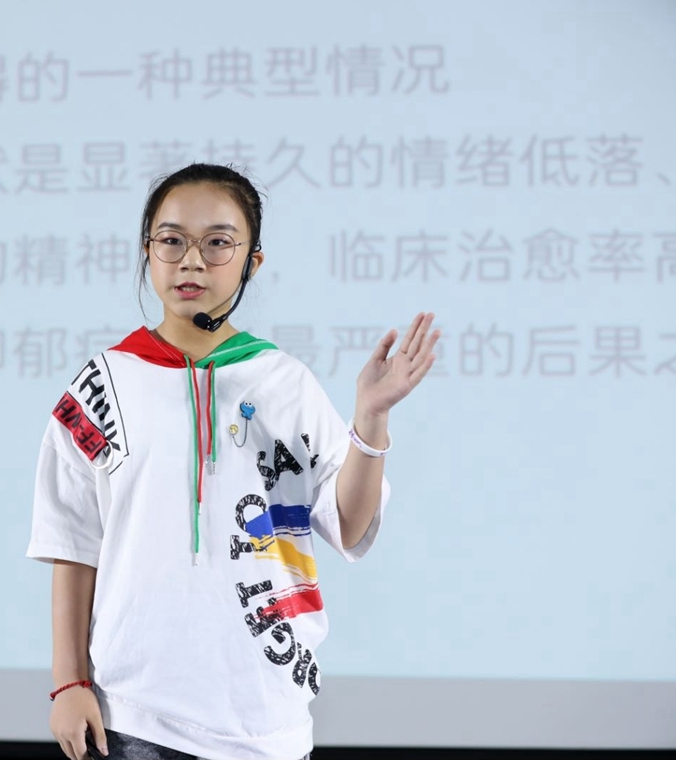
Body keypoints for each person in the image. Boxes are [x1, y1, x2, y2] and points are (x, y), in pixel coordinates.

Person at [26, 163, 439, 760]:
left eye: (218, 243)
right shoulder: (103, 385)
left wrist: (371, 419)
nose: (191, 262)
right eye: (172, 241)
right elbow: (74, 543)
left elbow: (348, 526)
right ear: (147, 251)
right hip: (133, 714)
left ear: (253, 261)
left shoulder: (285, 383)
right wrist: (69, 684)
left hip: (266, 718)